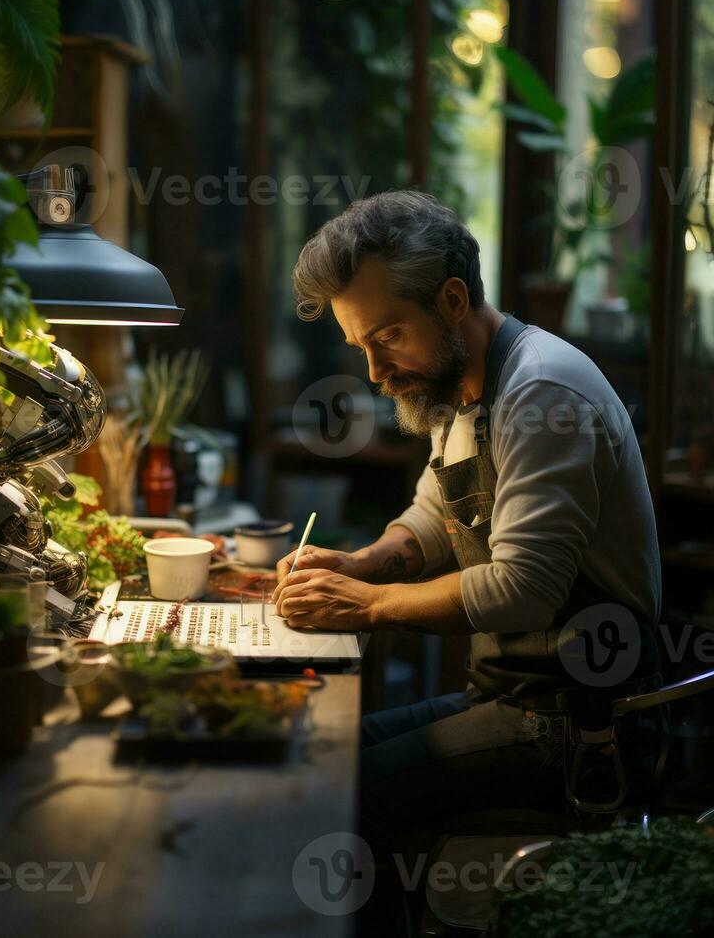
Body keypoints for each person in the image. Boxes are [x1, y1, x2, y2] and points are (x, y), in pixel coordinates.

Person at [273, 190, 664, 929]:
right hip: (510, 697)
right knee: (319, 760)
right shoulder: (458, 387)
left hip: (578, 721)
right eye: (360, 346)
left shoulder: (539, 391)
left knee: (338, 803)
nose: (375, 371)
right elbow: (431, 516)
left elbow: (522, 589)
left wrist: (365, 607)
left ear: (451, 299)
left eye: (387, 336)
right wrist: (361, 564)